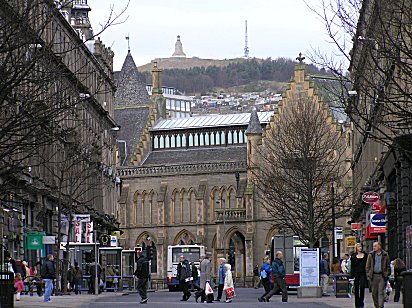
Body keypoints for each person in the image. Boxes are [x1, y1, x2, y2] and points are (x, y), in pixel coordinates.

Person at [366, 241, 390, 308]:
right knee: (374, 293)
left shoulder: (385, 254)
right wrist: (368, 274)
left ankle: (380, 306)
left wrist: (386, 273)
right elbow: (367, 266)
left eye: (375, 246)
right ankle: (376, 305)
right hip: (373, 275)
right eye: (373, 246)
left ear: (379, 246)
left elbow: (388, 265)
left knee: (381, 291)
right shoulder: (371, 255)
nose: (374, 247)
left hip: (382, 275)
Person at [350, 243, 368, 308]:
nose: (360, 248)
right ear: (356, 248)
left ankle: (361, 301)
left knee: (362, 287)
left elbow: (367, 265)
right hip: (356, 274)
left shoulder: (365, 255)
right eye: (358, 246)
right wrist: (351, 276)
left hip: (363, 273)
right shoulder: (353, 256)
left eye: (360, 246)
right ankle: (357, 303)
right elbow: (352, 267)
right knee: (356, 289)